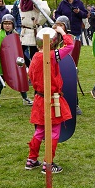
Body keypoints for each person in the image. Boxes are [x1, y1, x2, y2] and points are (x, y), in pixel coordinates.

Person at [25, 26, 73, 174]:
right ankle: (48, 163)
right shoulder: (52, 55)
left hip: (39, 97)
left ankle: (31, 160)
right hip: (52, 99)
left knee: (40, 130)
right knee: (53, 131)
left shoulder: (35, 56)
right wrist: (63, 32)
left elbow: (31, 78)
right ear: (53, 42)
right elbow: (70, 45)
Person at [0, 14, 33, 107]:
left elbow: (21, 49)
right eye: (5, 23)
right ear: (2, 24)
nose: (7, 25)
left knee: (20, 79)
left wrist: (26, 61)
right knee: (0, 81)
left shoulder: (16, 34)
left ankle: (25, 98)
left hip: (16, 61)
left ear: (13, 24)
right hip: (3, 62)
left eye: (9, 23)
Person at [19, 0, 51, 68]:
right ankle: (29, 68)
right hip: (25, 31)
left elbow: (46, 10)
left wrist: (39, 21)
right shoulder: (23, 0)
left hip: (34, 31)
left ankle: (33, 71)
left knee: (34, 54)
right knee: (19, 52)